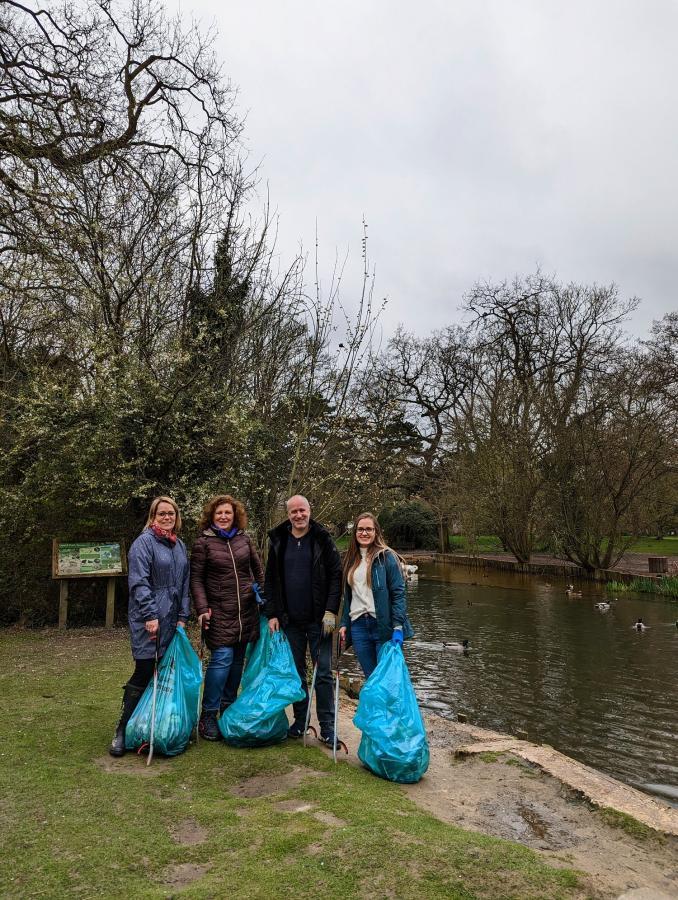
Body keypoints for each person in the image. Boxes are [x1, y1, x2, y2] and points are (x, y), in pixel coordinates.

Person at [109, 496, 190, 756]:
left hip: (171, 619)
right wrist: (150, 615)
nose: (167, 518)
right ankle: (122, 729)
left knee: (165, 672)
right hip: (149, 619)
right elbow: (139, 583)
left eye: (171, 513)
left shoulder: (179, 546)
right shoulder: (143, 544)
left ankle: (153, 726)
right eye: (162, 513)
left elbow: (184, 584)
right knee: (145, 669)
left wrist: (182, 616)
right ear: (153, 516)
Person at [264, 495, 342, 744]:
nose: (299, 515)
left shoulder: (322, 539)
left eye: (302, 510)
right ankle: (301, 721)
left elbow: (336, 576)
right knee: (296, 674)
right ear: (288, 515)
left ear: (310, 511)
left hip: (320, 621)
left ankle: (328, 728)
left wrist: (331, 610)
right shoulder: (279, 541)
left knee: (323, 673)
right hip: (290, 621)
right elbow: (270, 581)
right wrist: (273, 613)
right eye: (293, 512)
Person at [191, 494, 265, 740]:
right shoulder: (203, 543)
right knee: (222, 659)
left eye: (228, 513)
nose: (224, 517)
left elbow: (257, 569)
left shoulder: (244, 539)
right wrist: (202, 609)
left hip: (246, 612)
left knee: (236, 663)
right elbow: (197, 579)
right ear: (212, 516)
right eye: (219, 513)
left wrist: (264, 597)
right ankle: (208, 715)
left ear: (235, 516)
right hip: (219, 611)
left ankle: (228, 708)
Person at [339, 513, 413, 679]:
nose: (364, 533)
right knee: (371, 678)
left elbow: (398, 594)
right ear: (355, 532)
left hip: (383, 625)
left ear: (376, 532)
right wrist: (344, 623)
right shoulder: (350, 559)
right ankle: (374, 706)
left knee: (386, 679)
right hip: (358, 626)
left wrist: (398, 626)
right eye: (360, 529)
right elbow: (349, 597)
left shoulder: (387, 557)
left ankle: (390, 707)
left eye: (369, 529)